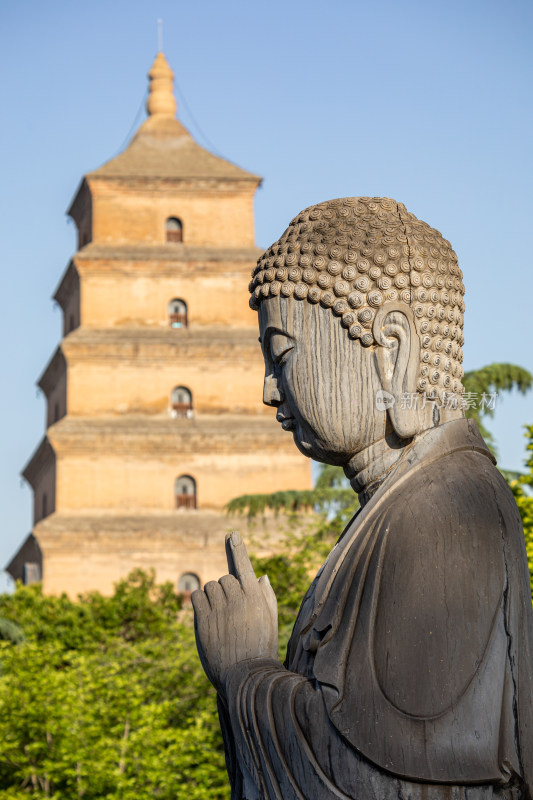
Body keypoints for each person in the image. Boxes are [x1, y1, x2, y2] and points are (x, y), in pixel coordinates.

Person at [192, 197, 533, 800]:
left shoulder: (444, 509)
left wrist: (245, 668)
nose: (269, 390)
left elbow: (376, 776)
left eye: (283, 354)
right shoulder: (395, 508)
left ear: (393, 349)